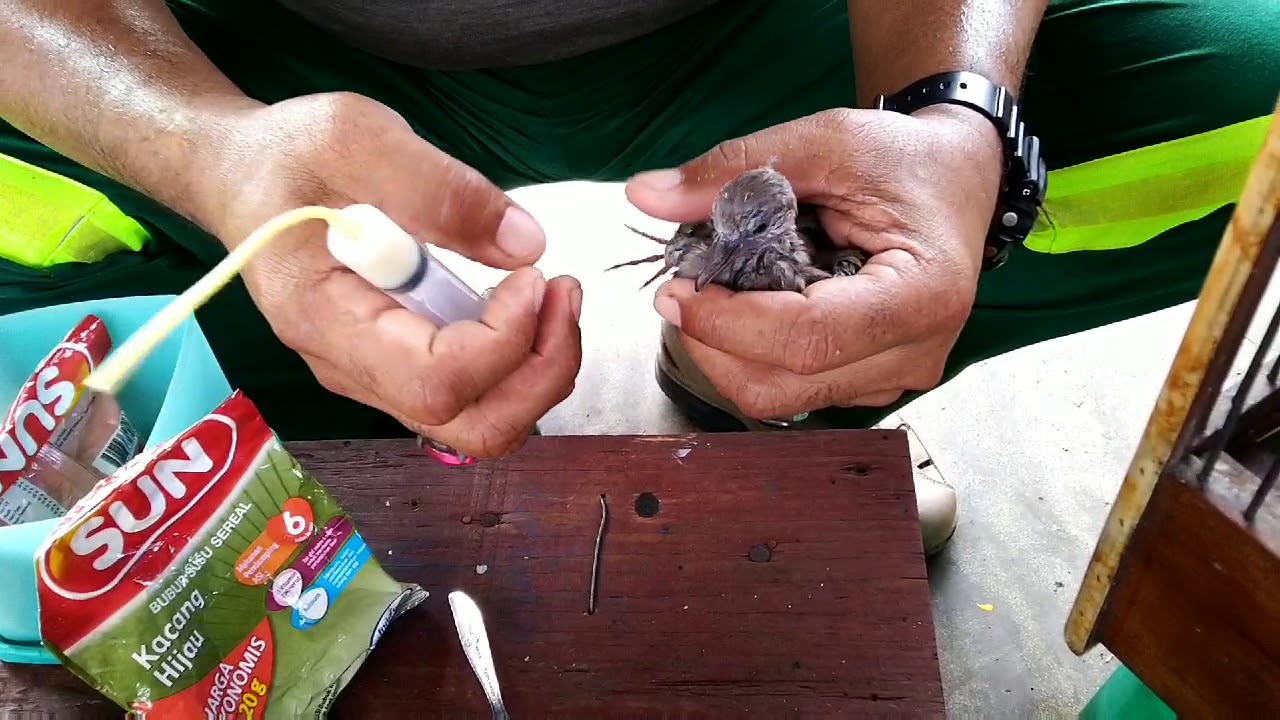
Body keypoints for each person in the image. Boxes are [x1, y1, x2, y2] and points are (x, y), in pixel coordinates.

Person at [1, 1, 1276, 558]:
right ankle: (312, 429)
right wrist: (209, 152)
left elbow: (964, 106)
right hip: (223, 50)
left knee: (1252, 99)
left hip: (789, 28)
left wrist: (954, 116)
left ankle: (788, 370)